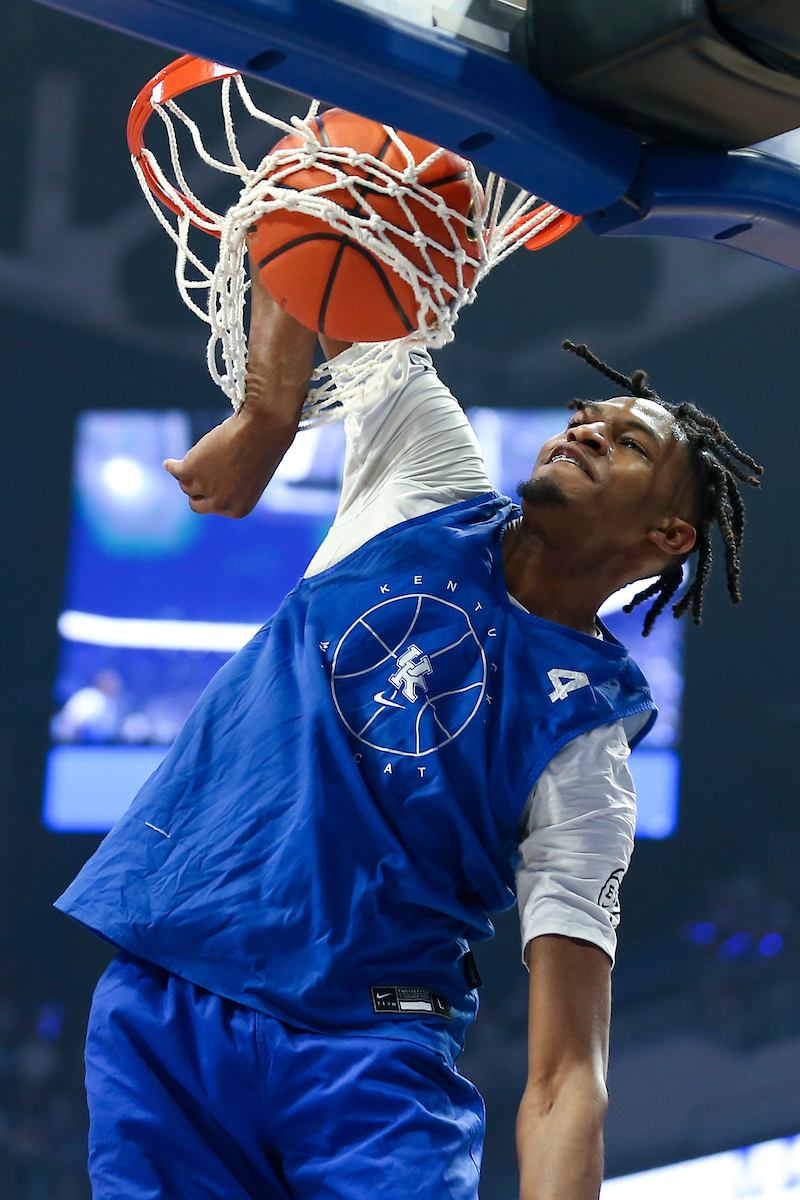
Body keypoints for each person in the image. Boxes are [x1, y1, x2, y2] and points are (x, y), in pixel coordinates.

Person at [56, 248, 762, 1200]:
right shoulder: (426, 477)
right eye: (584, 419)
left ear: (668, 538)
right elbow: (304, 229)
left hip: (370, 1053)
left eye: (627, 444)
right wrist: (268, 413)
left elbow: (564, 1077)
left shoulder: (589, 746)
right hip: (172, 992)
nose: (586, 432)